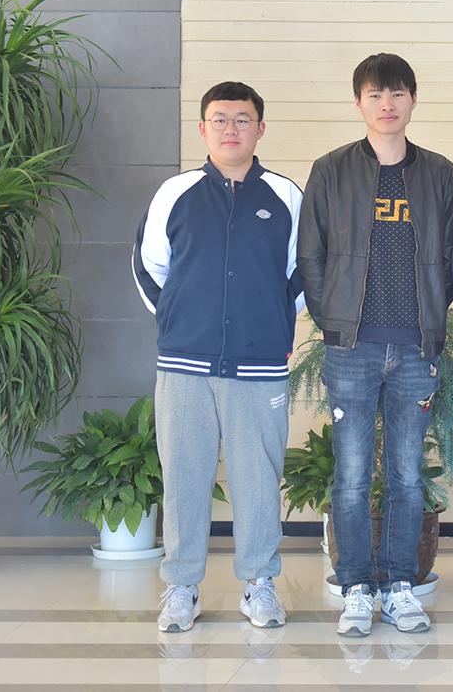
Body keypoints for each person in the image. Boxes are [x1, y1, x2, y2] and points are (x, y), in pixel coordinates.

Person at [296, 53, 453, 638]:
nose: (386, 104)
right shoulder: (331, 170)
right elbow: (310, 254)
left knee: (407, 475)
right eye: (375, 94)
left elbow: (452, 257)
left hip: (415, 348)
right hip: (353, 348)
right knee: (351, 474)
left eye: (397, 94)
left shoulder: (440, 173)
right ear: (359, 102)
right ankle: (356, 588)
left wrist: (432, 320)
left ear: (413, 100)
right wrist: (334, 321)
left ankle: (399, 587)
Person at [132, 81, 304, 634]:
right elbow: (147, 265)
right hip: (184, 365)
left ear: (260, 128)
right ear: (203, 128)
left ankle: (259, 584)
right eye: (220, 119)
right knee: (184, 477)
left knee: (259, 479)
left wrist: (274, 322)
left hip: (259, 366)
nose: (232, 129)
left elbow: (303, 272)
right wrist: (176, 319)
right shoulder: (175, 192)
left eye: (243, 119)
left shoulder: (285, 196)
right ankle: (182, 587)